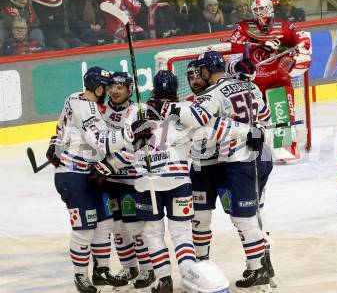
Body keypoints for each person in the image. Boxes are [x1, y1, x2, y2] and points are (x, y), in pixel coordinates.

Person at [159, 51, 273, 291]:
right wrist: (256, 130)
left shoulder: (208, 98)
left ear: (207, 72)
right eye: (191, 76)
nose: (196, 79)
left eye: (199, 74)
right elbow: (264, 117)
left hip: (232, 163)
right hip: (221, 164)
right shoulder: (246, 84)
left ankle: (261, 265)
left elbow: (198, 119)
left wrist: (172, 109)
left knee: (246, 215)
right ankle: (203, 266)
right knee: (203, 218)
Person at [46, 66, 151, 293]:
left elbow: (60, 125)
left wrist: (54, 143)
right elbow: (102, 143)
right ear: (100, 88)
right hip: (74, 176)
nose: (111, 91)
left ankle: (100, 271)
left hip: (93, 174)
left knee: (105, 224)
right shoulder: (89, 109)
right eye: (108, 86)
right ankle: (80, 276)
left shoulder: (73, 97)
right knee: (84, 229)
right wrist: (130, 134)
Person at [128, 70, 197, 293]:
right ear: (176, 89)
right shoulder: (185, 109)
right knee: (182, 233)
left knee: (152, 233)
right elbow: (198, 130)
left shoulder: (136, 110)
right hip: (177, 178)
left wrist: (139, 129)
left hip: (148, 180)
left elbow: (126, 141)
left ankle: (164, 280)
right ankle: (189, 279)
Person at [227, 0, 311, 161]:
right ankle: (247, 147)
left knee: (281, 112)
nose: (259, 13)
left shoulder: (284, 26)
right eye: (256, 10)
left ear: (270, 9)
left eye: (262, 9)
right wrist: (260, 42)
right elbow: (234, 42)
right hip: (252, 81)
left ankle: (285, 145)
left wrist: (289, 47)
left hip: (276, 79)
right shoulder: (243, 26)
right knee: (248, 118)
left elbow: (302, 38)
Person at [99, 72, 156, 290]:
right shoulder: (103, 110)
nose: (114, 91)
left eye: (120, 87)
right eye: (112, 87)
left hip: (133, 178)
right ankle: (128, 267)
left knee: (135, 227)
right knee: (116, 226)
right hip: (111, 179)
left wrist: (113, 162)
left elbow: (139, 148)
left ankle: (147, 269)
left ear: (129, 90)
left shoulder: (137, 111)